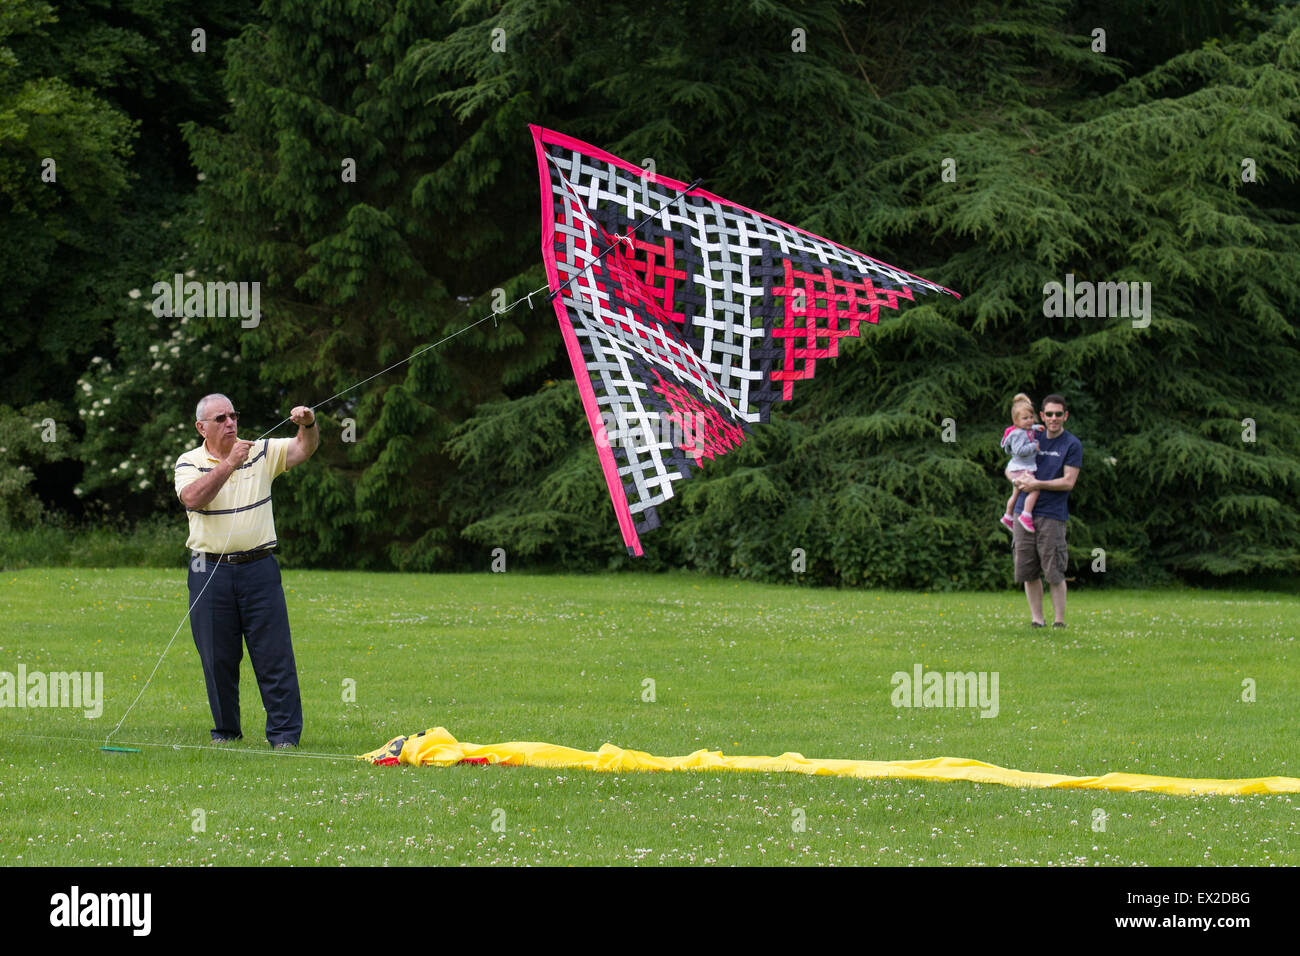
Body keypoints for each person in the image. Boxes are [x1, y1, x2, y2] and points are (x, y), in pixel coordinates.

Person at [174, 394, 319, 747]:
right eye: (220, 418)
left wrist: (309, 425)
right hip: (208, 570)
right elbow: (192, 498)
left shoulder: (261, 450)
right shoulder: (188, 461)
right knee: (217, 656)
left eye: (233, 416)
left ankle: (284, 736)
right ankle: (226, 731)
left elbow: (303, 449)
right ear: (201, 427)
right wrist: (228, 466)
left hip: (259, 568)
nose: (230, 423)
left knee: (274, 654)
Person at [1010, 394, 1081, 629]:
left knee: (1054, 571)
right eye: (1049, 414)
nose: (1053, 418)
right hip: (1023, 513)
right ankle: (1037, 620)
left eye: (1058, 414)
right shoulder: (1031, 434)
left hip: (1052, 514)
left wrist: (1037, 484)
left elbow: (1068, 482)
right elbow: (1011, 466)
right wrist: (1016, 480)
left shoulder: (1071, 444)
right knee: (1028, 569)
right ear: (1042, 415)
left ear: (1065, 416)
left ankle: (1059, 621)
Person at [999, 393, 1045, 534]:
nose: (1029, 421)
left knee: (1016, 494)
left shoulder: (1024, 429)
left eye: (1031, 418)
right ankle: (1026, 515)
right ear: (1016, 421)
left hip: (1018, 467)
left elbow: (1030, 429)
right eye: (1025, 418)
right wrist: (1034, 447)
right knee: (1035, 489)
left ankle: (1007, 516)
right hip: (1022, 469)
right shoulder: (1019, 434)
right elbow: (1019, 450)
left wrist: (1037, 427)